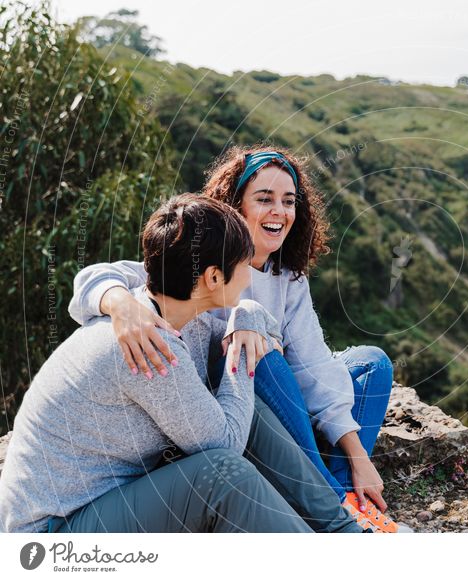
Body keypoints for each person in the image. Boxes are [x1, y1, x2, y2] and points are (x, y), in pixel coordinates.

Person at [68, 147, 402, 532]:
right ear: (235, 205)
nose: (279, 211)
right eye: (264, 199)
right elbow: (96, 278)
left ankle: (343, 491)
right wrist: (119, 303)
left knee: (371, 362)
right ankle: (333, 504)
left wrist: (358, 455)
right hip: (231, 413)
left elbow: (314, 367)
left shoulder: (288, 277)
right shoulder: (203, 259)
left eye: (288, 201)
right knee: (261, 356)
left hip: (285, 403)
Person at [0, 194, 365, 533]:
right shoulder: (150, 348)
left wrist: (247, 316)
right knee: (222, 474)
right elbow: (225, 443)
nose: (251, 273)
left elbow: (258, 325)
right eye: (244, 262)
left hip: (115, 500)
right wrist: (238, 351)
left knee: (242, 404)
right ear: (213, 277)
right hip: (54, 533)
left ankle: (342, 531)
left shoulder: (180, 313)